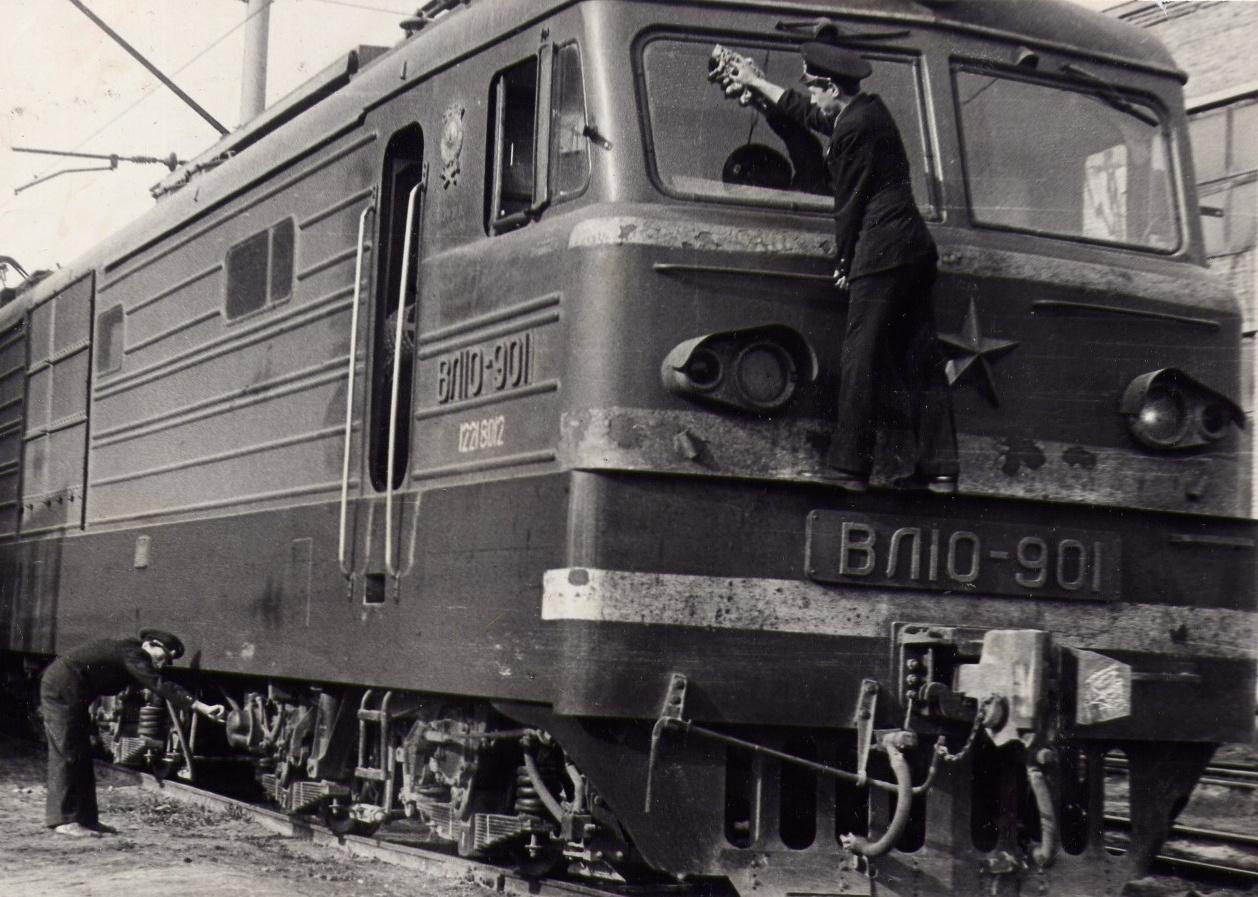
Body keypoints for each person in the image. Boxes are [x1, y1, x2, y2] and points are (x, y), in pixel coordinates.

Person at [722, 43, 958, 493]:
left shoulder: (853, 129)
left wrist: (845, 261)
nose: (811, 97)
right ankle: (941, 471)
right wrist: (757, 84)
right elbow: (809, 115)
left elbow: (848, 204)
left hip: (882, 251)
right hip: (912, 249)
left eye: (814, 89)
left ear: (831, 86)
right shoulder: (868, 112)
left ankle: (850, 468)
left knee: (860, 356)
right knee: (921, 358)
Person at [39, 629, 225, 837]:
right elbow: (159, 684)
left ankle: (86, 820)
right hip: (62, 689)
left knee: (81, 754)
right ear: (150, 645)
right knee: (67, 752)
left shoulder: (130, 653)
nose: (162, 664)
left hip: (74, 691)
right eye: (162, 657)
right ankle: (64, 820)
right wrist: (202, 707)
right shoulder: (133, 653)